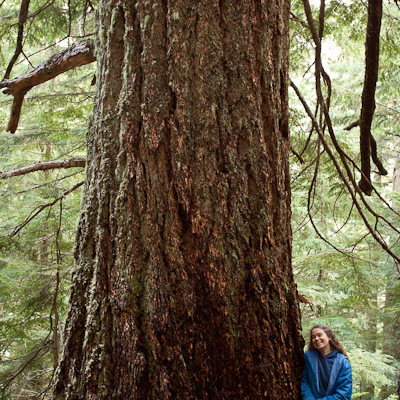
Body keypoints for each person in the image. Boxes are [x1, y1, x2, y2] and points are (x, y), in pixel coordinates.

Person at [301, 324, 352, 400]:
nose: (317, 339)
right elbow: (305, 382)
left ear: (329, 337)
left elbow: (344, 393)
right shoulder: (309, 358)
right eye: (313, 337)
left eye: (319, 335)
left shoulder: (342, 362)